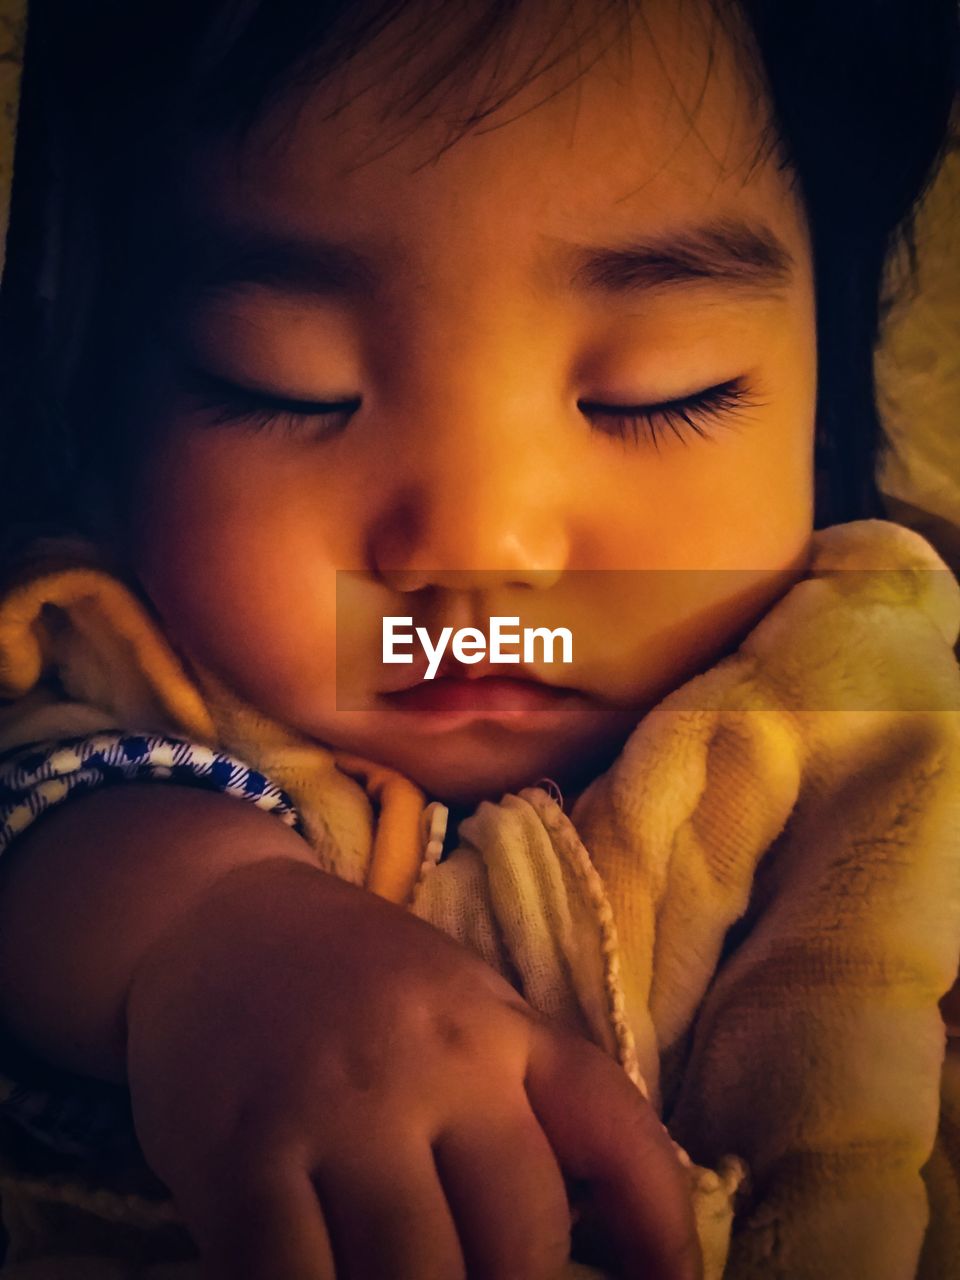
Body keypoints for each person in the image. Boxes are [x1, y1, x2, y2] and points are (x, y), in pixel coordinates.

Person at [0, 1, 957, 1276]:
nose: (482, 543)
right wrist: (207, 927)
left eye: (660, 392)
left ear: (823, 431)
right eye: (282, 380)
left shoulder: (864, 703)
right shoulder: (114, 661)